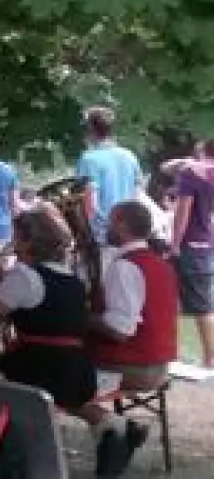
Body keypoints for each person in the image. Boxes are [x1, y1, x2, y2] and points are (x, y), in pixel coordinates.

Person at [0, 206, 138, 479]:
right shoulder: (72, 279)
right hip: (76, 368)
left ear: (28, 241)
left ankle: (0, 455)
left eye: (17, 237)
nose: (12, 243)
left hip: (40, 367)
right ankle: (110, 425)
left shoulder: (25, 276)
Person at [77, 200, 174, 475]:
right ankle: (122, 429)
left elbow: (121, 329)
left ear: (122, 224)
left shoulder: (125, 267)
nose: (107, 226)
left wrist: (84, 318)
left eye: (111, 220)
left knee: (57, 376)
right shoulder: (160, 263)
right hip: (158, 364)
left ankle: (114, 427)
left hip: (132, 366)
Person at [167, 141, 214, 366]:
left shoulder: (191, 174)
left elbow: (183, 210)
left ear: (202, 152)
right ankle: (206, 357)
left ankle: (209, 359)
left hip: (189, 244)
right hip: (206, 244)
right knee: (198, 302)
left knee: (198, 306)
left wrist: (175, 243)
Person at [79, 106, 142, 239]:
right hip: (130, 231)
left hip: (105, 233)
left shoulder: (88, 159)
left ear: (90, 129)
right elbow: (138, 195)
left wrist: (90, 233)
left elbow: (91, 203)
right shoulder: (130, 156)